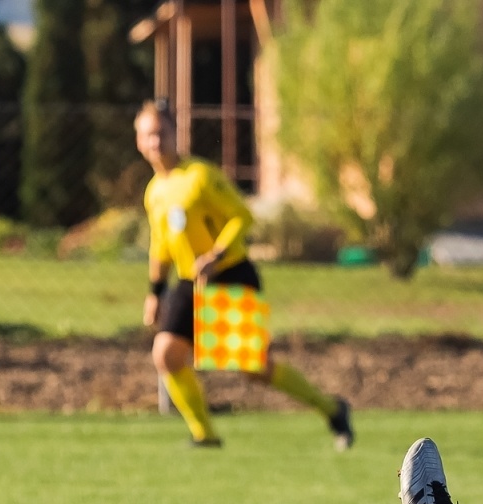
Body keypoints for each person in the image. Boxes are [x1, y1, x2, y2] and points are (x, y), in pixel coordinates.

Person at [135, 101, 354, 450]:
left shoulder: (200, 177)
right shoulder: (154, 191)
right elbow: (160, 246)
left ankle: (332, 409)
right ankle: (204, 434)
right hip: (191, 281)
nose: (155, 142)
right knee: (165, 353)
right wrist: (155, 291)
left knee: (254, 368)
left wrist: (216, 253)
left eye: (162, 133)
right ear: (138, 141)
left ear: (176, 134)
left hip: (229, 273)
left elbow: (242, 216)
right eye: (148, 135)